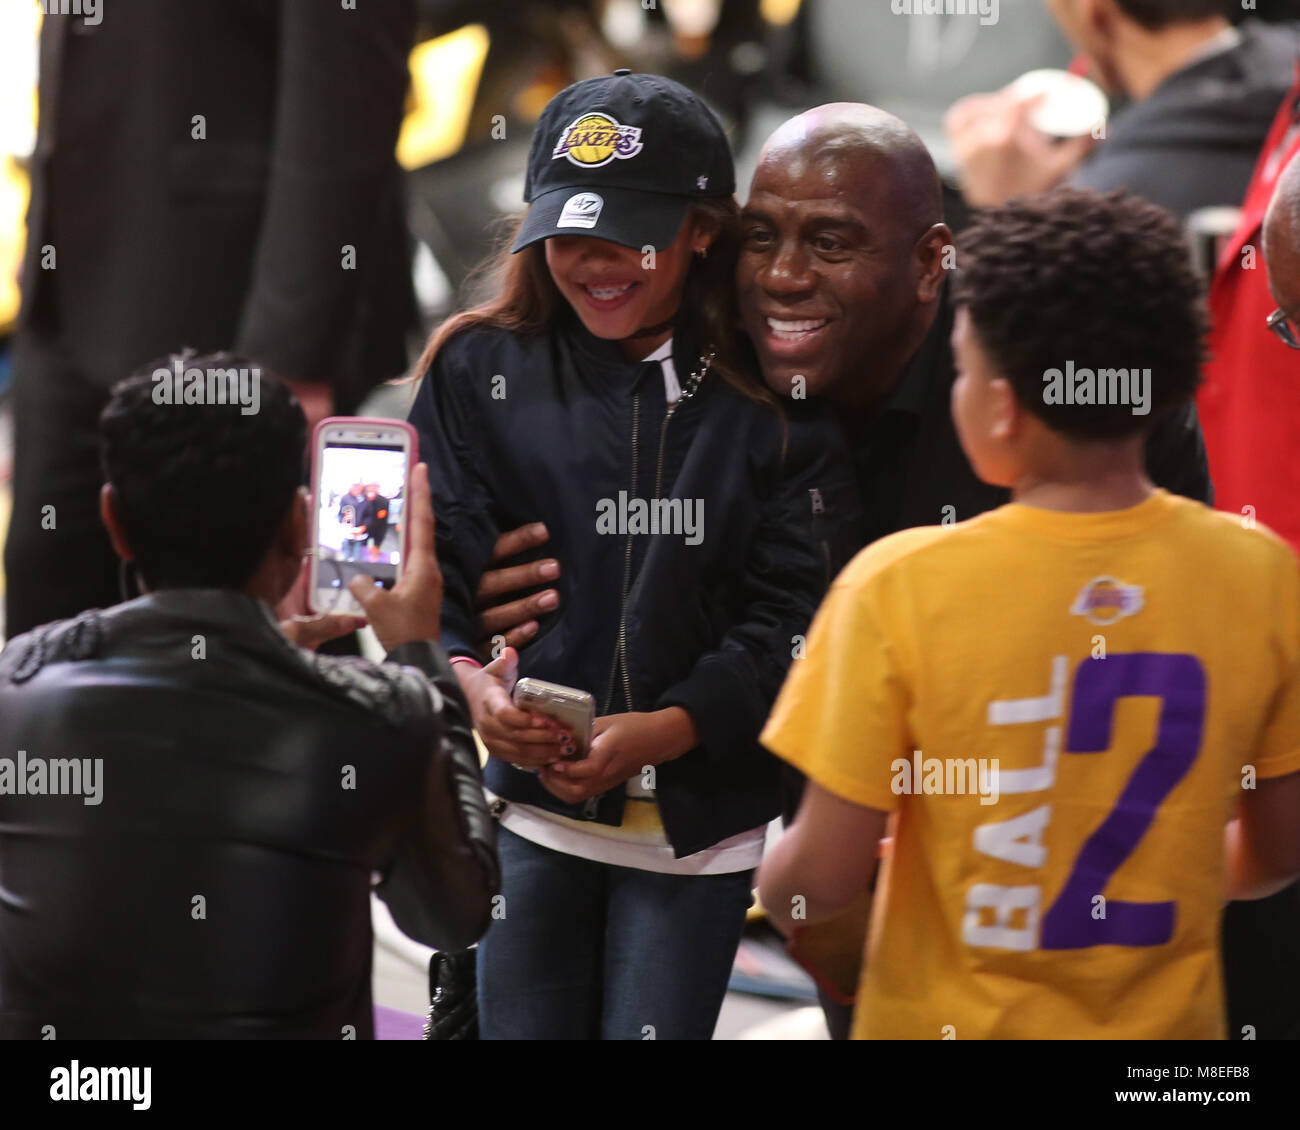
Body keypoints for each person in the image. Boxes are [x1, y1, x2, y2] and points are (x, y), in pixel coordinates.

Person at [757, 187, 1300, 1040]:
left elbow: (816, 880)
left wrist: (781, 891)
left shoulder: (896, 587)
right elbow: (1277, 853)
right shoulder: (1262, 575)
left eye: (964, 369)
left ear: (1003, 406)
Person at [408, 70, 855, 1040]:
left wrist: (672, 725)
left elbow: (797, 620)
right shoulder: (477, 366)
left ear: (703, 229)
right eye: (567, 231)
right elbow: (434, 564)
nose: (594, 260)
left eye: (631, 233)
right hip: (525, 812)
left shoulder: (777, 391)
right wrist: (472, 688)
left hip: (696, 834)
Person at [0, 355, 498, 1039]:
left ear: (114, 521)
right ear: (299, 526)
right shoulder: (381, 717)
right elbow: (456, 914)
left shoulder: (16, 686)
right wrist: (420, 658)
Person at [5, 0, 417, 638]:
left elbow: (344, 91)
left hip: (237, 305)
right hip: (71, 295)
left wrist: (291, 359)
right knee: (48, 615)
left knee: (269, 642)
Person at [945, 0, 1297, 220]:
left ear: (1095, 13)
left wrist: (1007, 211)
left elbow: (1014, 334)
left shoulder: (1107, 215)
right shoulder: (1286, 73)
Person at [338, 483, 366, 561]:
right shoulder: (345, 498)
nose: (356, 490)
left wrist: (363, 526)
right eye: (355, 487)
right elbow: (341, 513)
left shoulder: (364, 498)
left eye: (358, 488)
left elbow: (367, 514)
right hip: (348, 529)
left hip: (360, 530)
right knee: (346, 552)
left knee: (357, 553)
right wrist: (343, 521)